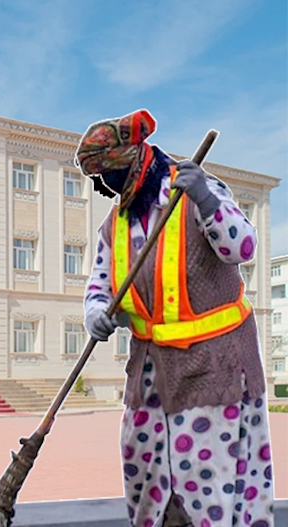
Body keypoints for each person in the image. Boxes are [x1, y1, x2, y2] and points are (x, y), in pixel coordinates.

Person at [75, 109, 274, 527]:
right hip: (151, 370)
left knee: (207, 479)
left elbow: (242, 247)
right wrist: (95, 311)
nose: (101, 187)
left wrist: (206, 197)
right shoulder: (116, 223)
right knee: (144, 470)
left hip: (213, 366)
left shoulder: (194, 189)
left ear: (127, 165)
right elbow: (101, 282)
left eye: (103, 176)